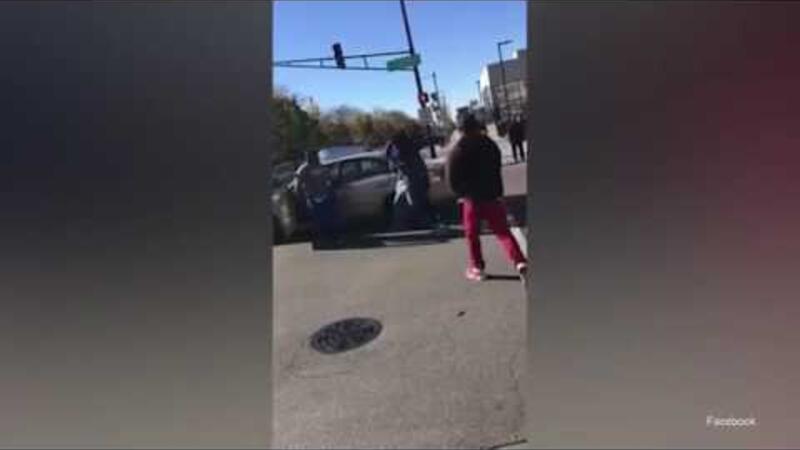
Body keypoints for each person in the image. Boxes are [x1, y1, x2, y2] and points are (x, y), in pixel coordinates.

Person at [446, 114, 528, 283]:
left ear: (460, 130)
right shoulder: (489, 144)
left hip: (471, 199)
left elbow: (452, 180)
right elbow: (496, 169)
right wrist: (498, 191)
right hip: (491, 196)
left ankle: (477, 267)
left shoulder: (457, 151)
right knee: (503, 233)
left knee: (472, 235)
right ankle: (519, 261)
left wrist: (461, 193)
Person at [385, 130, 440, 231]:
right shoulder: (406, 147)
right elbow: (422, 143)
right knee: (414, 201)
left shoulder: (399, 149)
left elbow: (393, 161)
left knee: (413, 201)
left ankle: (423, 222)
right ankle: (423, 222)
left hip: (410, 178)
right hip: (411, 177)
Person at [293, 151, 341, 249]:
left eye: (316, 157)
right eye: (312, 157)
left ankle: (329, 240)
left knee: (327, 218)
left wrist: (330, 190)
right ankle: (317, 242)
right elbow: (297, 184)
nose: (315, 159)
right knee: (316, 221)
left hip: (324, 196)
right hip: (312, 197)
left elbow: (329, 179)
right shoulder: (303, 169)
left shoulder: (321, 167)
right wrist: (301, 197)